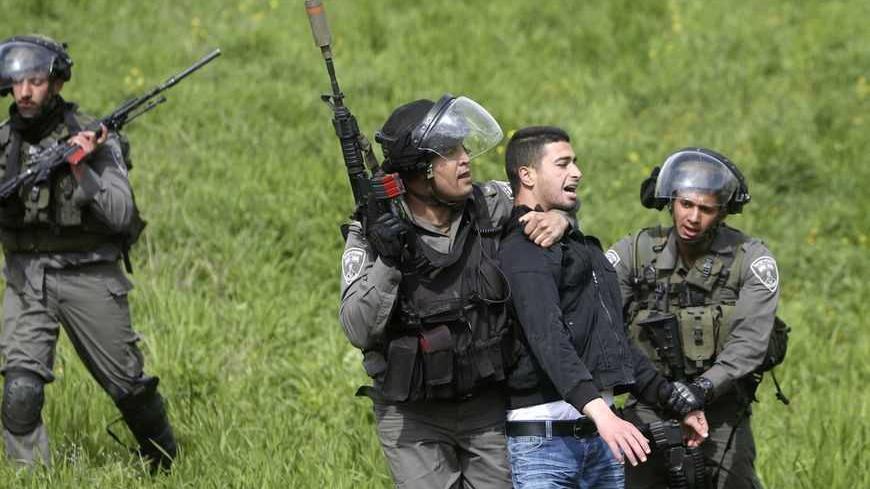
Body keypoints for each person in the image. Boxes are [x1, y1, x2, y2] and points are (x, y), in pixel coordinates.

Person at [339, 96, 572, 488]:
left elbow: (551, 197)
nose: (465, 158)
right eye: (450, 152)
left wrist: (560, 218)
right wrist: (389, 263)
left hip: (488, 406)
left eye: (464, 147)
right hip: (413, 417)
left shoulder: (490, 204)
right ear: (420, 170)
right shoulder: (372, 232)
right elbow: (357, 328)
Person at [0, 35, 176, 471]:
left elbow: (120, 214)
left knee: (128, 386)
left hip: (90, 274)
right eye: (18, 82)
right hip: (26, 276)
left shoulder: (93, 137)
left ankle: (166, 462)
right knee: (20, 392)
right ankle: (32, 477)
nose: (25, 92)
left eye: (37, 81)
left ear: (55, 84)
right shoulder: (4, 144)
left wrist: (80, 166)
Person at [498, 126, 708, 489]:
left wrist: (675, 402)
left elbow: (614, 343)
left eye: (575, 162)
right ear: (527, 175)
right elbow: (548, 339)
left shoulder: (584, 248)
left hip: (600, 440)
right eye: (563, 163)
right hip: (545, 446)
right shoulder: (522, 249)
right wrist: (602, 414)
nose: (576, 172)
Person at [607, 148, 780, 488]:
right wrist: (664, 393)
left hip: (721, 406)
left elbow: (751, 340)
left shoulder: (750, 260)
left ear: (723, 213)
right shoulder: (634, 252)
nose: (693, 217)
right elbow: (604, 325)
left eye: (706, 209)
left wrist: (702, 389)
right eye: (686, 204)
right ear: (670, 201)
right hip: (648, 400)